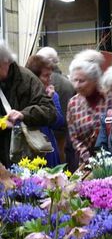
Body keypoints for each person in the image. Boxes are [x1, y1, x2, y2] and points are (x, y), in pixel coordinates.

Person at [0, 40, 56, 168]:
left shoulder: (27, 79)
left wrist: (23, 115)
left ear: (6, 61)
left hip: (24, 159)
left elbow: (49, 110)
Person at [67, 54, 109, 166]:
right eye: (74, 80)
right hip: (86, 163)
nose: (77, 85)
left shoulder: (109, 99)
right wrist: (86, 157)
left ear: (94, 80)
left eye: (81, 81)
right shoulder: (73, 104)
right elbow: (74, 137)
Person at [36, 46, 75, 164]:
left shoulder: (46, 86)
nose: (48, 79)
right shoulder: (68, 83)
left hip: (47, 137)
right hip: (62, 134)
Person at [25, 55, 65, 167]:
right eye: (46, 76)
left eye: (50, 75)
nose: (50, 79)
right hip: (30, 147)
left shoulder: (52, 95)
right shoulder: (23, 95)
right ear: (34, 77)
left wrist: (50, 99)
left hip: (48, 145)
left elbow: (59, 122)